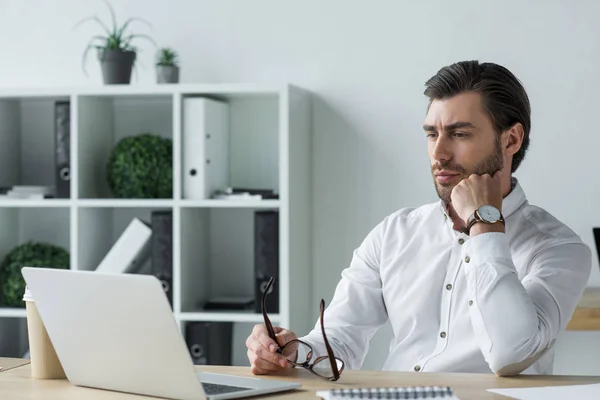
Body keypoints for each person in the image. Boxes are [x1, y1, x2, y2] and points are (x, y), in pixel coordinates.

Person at [245, 60, 592, 377]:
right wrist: (293, 353)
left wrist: (485, 223)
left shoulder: (558, 248)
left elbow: (510, 355)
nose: (439, 153)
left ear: (511, 139)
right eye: (431, 134)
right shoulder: (394, 233)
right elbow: (340, 339)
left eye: (459, 134)